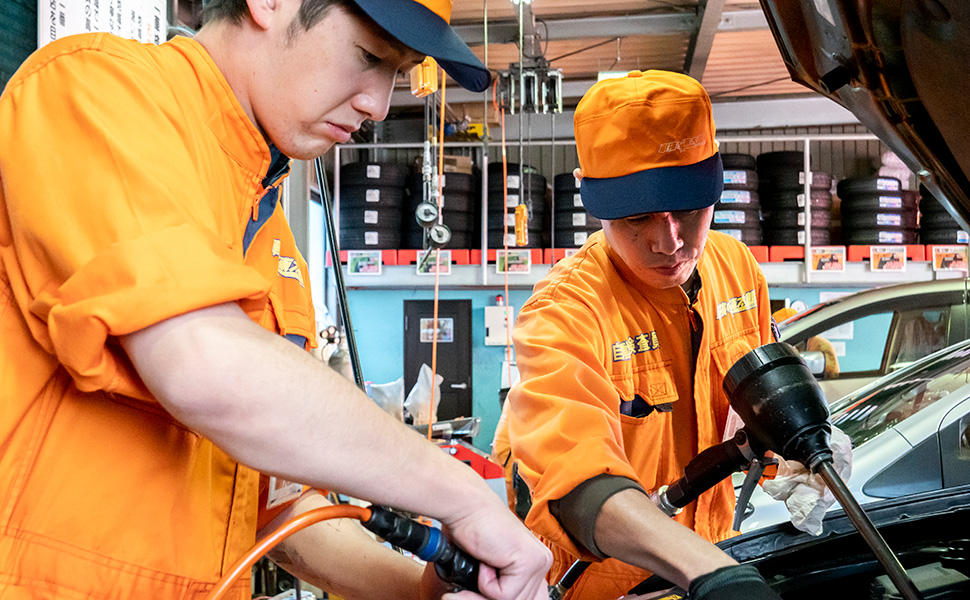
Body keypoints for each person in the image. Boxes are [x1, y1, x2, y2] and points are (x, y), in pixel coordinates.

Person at [0, 1, 551, 599]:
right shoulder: (94, 91)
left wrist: (419, 592)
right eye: (369, 58)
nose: (379, 105)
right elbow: (204, 366)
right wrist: (459, 492)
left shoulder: (270, 229)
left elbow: (281, 510)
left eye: (397, 72)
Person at [495, 71, 782, 600]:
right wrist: (707, 571)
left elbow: (755, 394)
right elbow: (576, 480)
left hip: (715, 555)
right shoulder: (566, 311)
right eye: (636, 217)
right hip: (606, 583)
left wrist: (792, 451)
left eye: (690, 210)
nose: (669, 241)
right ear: (589, 191)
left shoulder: (737, 268)